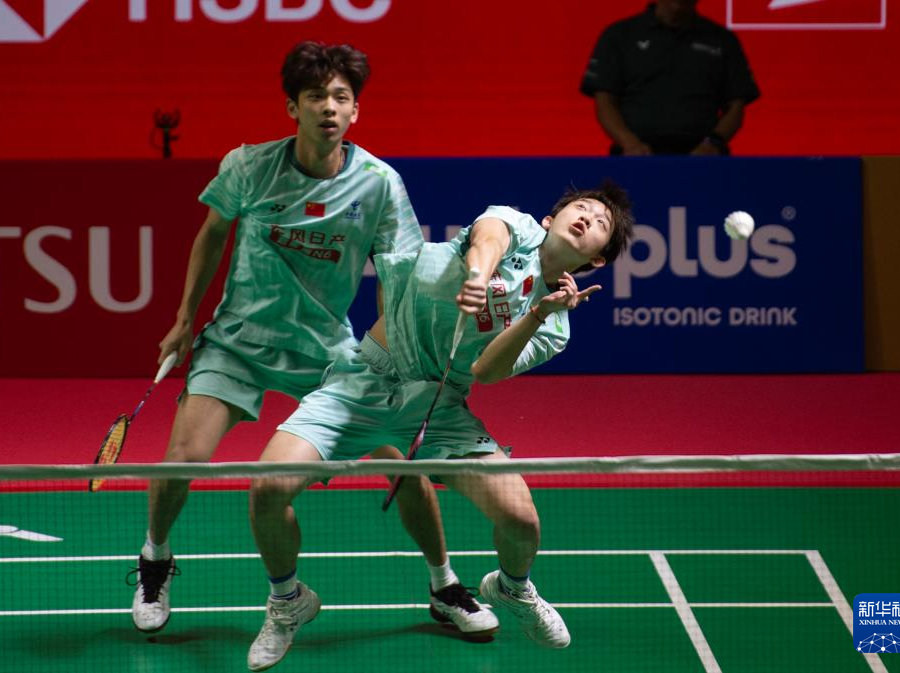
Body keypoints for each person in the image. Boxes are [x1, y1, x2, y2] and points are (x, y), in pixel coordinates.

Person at [129, 41, 483, 640]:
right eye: (316, 96)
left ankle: (444, 584)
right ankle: (155, 558)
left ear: (355, 111)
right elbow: (212, 233)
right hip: (238, 341)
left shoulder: (378, 184)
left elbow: (397, 279)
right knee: (181, 458)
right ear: (293, 107)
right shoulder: (249, 166)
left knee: (402, 462)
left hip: (326, 350)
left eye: (341, 97)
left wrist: (398, 360)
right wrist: (185, 318)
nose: (329, 107)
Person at [246, 182, 636, 670]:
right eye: (581, 208)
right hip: (364, 380)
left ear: (598, 258)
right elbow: (488, 238)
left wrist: (538, 313)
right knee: (267, 486)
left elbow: (487, 371)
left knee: (521, 520)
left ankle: (513, 588)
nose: (586, 218)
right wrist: (478, 276)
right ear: (548, 220)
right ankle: (288, 601)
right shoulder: (515, 224)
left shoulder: (556, 327)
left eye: (600, 223)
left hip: (439, 405)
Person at [579, 0, 760, 155]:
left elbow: (736, 105)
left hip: (703, 158)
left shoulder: (723, 39)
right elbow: (604, 100)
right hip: (634, 156)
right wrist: (628, 142)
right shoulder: (619, 35)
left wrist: (713, 143)